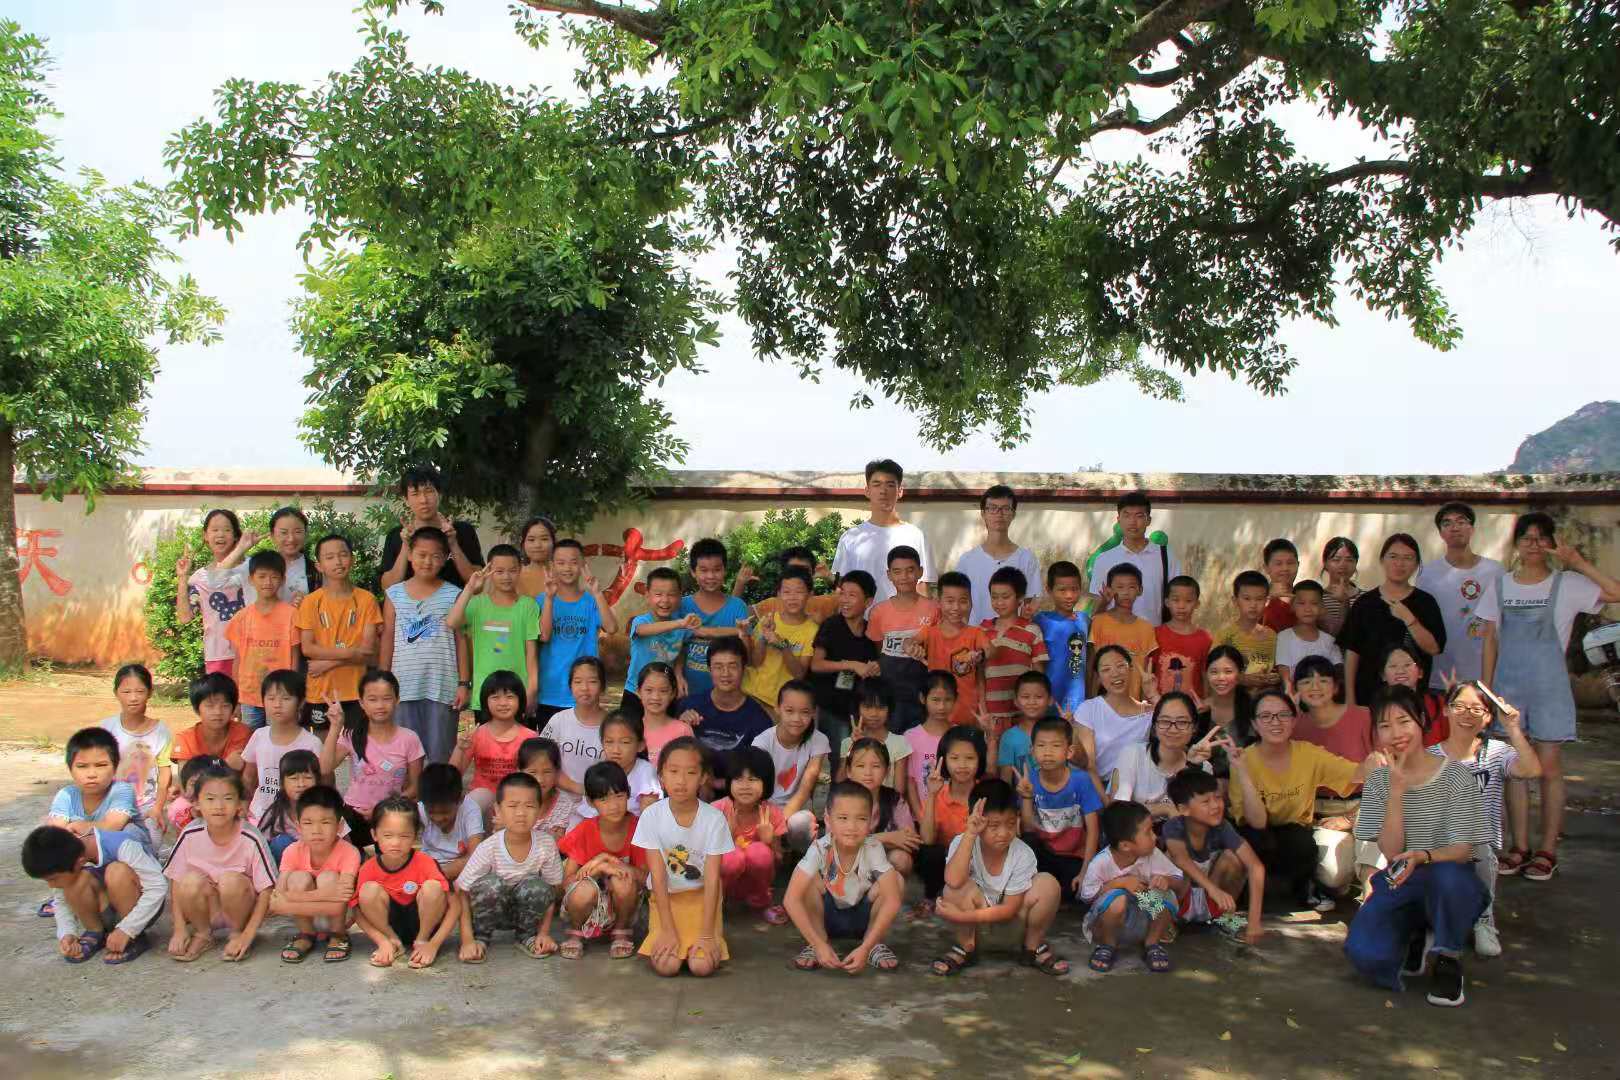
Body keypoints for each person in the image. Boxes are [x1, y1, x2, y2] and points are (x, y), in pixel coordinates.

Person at [1344, 687, 1492, 1007]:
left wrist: (1423, 856)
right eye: (1385, 726)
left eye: (1404, 721)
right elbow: (1391, 852)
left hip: (1449, 877)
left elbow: (1462, 850)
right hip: (1401, 879)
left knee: (1447, 878)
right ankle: (1416, 933)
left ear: (1422, 721)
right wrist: (1396, 792)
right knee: (1364, 955)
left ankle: (1448, 957)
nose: (1396, 733)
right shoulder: (1379, 780)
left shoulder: (1456, 776)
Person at [1493, 512, 1620, 882]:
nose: (1533, 544)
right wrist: (1487, 692)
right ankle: (1518, 847)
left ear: (1551, 543)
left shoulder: (1568, 583)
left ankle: (1547, 850)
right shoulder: (1501, 586)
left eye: (1541, 537)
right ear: (1516, 543)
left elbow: (1615, 593)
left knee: (1549, 769)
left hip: (1549, 689)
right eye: (1526, 537)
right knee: (1514, 770)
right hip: (1508, 689)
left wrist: (1577, 561)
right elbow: (1489, 641)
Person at [1226, 690, 1378, 912]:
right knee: (1256, 839)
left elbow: (1353, 773)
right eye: (1266, 716)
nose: (1275, 722)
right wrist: (1243, 772)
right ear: (1254, 724)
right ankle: (1239, 901)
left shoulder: (1308, 754)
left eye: (1283, 715)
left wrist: (1372, 763)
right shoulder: (1243, 759)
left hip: (1295, 833)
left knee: (1302, 843)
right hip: (1256, 830)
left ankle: (1304, 888)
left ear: (1294, 720)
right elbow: (1256, 822)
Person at [1433, 681, 1539, 957]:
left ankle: (1483, 919)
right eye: (1459, 706)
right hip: (1439, 845)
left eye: (1476, 709)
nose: (1467, 714)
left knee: (1477, 840)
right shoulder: (1430, 756)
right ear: (1446, 710)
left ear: (1489, 717)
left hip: (1480, 847)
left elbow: (1531, 770)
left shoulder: (1496, 752)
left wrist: (1513, 728)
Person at [931, 778, 1069, 976]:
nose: (1003, 833)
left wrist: (960, 916)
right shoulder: (962, 842)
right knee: (953, 888)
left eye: (1010, 824)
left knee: (1047, 884)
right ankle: (965, 948)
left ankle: (1032, 948)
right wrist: (970, 834)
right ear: (975, 820)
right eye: (994, 826)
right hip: (975, 930)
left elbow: (1009, 909)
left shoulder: (1023, 853)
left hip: (1013, 925)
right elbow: (952, 880)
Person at [635, 737, 734, 976]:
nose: (681, 781)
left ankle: (707, 937)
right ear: (661, 775)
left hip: (702, 899)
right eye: (673, 771)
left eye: (690, 773)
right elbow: (658, 876)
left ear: (703, 777)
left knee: (701, 966)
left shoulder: (714, 819)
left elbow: (712, 879)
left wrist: (707, 935)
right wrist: (667, 930)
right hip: (666, 900)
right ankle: (664, 932)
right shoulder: (651, 816)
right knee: (667, 966)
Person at [161, 763, 277, 962]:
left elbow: (267, 890)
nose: (219, 806)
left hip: (240, 906)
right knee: (189, 881)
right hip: (208, 909)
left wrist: (248, 935)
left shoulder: (250, 836)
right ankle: (203, 933)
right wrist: (179, 929)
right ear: (196, 803)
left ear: (240, 804)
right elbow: (175, 881)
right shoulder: (190, 833)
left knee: (230, 880)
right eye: (210, 799)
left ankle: (236, 933)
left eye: (228, 798)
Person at [785, 780, 904, 973]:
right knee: (807, 880)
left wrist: (865, 948)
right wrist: (817, 943)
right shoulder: (819, 848)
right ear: (828, 819)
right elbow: (791, 899)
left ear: (871, 820)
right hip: (827, 917)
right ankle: (818, 942)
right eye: (843, 818)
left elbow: (893, 899)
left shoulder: (873, 847)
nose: (852, 826)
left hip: (863, 918)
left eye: (861, 819)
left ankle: (873, 945)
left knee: (896, 880)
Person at [455, 771, 564, 960]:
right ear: (498, 810)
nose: (521, 813)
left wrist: (544, 933)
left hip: (524, 913)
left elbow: (552, 891)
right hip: (490, 913)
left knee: (539, 886)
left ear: (539, 810)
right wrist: (467, 940)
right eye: (513, 806)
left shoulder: (546, 844)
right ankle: (481, 937)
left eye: (529, 806)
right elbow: (461, 890)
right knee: (491, 884)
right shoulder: (488, 847)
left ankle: (526, 935)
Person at [380, 527, 467, 764]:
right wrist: (383, 680)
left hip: (442, 686)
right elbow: (387, 637)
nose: (428, 562)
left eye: (435, 556)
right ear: (410, 555)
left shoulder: (454, 594)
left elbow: (461, 640)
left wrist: (463, 683)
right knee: (404, 757)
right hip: (403, 687)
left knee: (440, 756)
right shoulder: (394, 594)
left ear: (446, 558)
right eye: (421, 554)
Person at [24, 824, 167, 965]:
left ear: (79, 863)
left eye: (52, 879)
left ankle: (135, 938)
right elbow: (61, 901)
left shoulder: (124, 845)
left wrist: (128, 929)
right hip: (107, 910)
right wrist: (67, 933)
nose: (51, 885)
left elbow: (158, 887)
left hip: (140, 911)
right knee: (74, 882)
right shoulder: (66, 858)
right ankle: (95, 932)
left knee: (116, 872)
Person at [320, 669, 425, 851]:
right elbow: (325, 768)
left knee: (389, 859)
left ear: (397, 700)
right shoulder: (351, 735)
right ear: (362, 703)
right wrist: (335, 727)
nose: (380, 705)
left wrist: (382, 808)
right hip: (353, 813)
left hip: (390, 815)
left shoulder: (409, 739)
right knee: (345, 856)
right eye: (372, 699)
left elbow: (415, 788)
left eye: (387, 698)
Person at [1078, 800, 1187, 973]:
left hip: (1140, 922)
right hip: (1105, 927)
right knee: (1117, 900)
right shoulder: (1101, 863)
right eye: (1148, 832)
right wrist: (1119, 883)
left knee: (1166, 896)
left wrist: (1166, 880)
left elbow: (1178, 879)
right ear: (1125, 845)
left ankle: (1152, 944)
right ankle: (1107, 945)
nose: (1155, 837)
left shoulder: (1153, 854)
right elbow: (1087, 896)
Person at [1340, 534, 1447, 708]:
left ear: (1417, 564)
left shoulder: (1426, 602)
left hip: (1412, 700)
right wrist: (1350, 699)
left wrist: (1409, 619)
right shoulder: (1365, 603)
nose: (1400, 563)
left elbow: (1434, 648)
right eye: (1393, 556)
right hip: (1368, 698)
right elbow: (1352, 652)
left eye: (1408, 558)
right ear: (1382, 560)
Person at [1162, 769, 1266, 943]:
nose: (1216, 805)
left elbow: (1256, 867)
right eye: (1206, 801)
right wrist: (1213, 889)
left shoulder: (1223, 827)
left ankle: (1224, 918)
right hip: (1182, 898)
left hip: (1213, 899)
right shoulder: (1173, 827)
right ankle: (1167, 921)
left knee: (1233, 857)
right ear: (1183, 809)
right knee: (1169, 862)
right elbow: (1180, 859)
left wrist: (1254, 922)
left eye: (1217, 797)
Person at [352, 796, 457, 968]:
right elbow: (356, 911)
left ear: (415, 836)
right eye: (388, 835)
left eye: (404, 835)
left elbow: (455, 905)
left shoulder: (426, 863)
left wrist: (433, 944)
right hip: (387, 928)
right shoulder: (367, 869)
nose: (395, 843)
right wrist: (382, 940)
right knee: (368, 890)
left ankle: (421, 941)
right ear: (374, 835)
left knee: (433, 886)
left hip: (426, 927)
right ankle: (392, 942)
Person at [558, 761, 648, 959]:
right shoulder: (585, 830)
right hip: (587, 907)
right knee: (584, 889)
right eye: (604, 799)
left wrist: (608, 861)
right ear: (590, 802)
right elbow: (567, 883)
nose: (613, 806)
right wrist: (599, 867)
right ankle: (576, 931)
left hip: (625, 905)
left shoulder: (639, 829)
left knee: (623, 879)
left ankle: (621, 931)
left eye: (619, 796)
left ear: (628, 793)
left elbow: (645, 878)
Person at [297, 533, 382, 732]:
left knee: (356, 745)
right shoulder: (310, 602)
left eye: (343, 555)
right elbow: (308, 648)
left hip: (356, 690)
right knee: (322, 744)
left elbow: (368, 650)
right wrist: (353, 652)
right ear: (319, 566)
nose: (338, 561)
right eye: (329, 557)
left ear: (352, 559)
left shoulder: (367, 600)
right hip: (321, 690)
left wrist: (327, 663)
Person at [268, 784, 361, 964]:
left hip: (340, 918)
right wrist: (327, 895)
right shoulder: (292, 851)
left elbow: (338, 907)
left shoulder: (349, 852)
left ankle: (338, 935)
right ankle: (306, 934)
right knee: (298, 878)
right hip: (309, 915)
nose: (316, 830)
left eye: (325, 822)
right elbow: (276, 900)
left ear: (339, 826)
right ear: (298, 826)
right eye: (308, 823)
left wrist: (289, 902)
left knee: (328, 877)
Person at [1417, 501, 1504, 689]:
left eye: (1461, 521)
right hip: (1440, 679)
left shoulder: (1495, 571)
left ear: (1472, 529)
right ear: (1440, 533)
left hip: (1485, 679)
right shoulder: (1428, 574)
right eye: (1447, 523)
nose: (1454, 527)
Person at [1016, 717, 1103, 900]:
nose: (1047, 752)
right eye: (1041, 745)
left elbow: (1093, 830)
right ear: (1032, 750)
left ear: (1069, 751)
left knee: (1077, 893)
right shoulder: (1030, 780)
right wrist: (1026, 797)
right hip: (1043, 853)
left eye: (1055, 746)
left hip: (1074, 855)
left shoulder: (1081, 780)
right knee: (1028, 848)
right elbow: (1028, 829)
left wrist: (1086, 871)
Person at [447, 547, 541, 715]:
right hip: (484, 694)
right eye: (499, 571)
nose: (506, 577)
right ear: (489, 571)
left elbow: (531, 655)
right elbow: (452, 622)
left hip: (517, 693)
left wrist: (532, 690)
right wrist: (470, 588)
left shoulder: (529, 606)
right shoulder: (476, 604)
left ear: (520, 570)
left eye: (512, 571)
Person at [832, 458, 935, 605]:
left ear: (900, 491)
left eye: (890, 485)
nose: (883, 491)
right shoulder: (850, 538)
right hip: (863, 619)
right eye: (877, 484)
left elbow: (922, 588)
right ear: (867, 491)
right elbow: (842, 589)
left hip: (904, 619)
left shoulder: (916, 536)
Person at [536, 538, 618, 723]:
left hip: (585, 692)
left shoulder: (591, 601)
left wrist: (597, 593)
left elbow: (612, 628)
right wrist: (549, 599)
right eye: (561, 563)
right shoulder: (541, 600)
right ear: (552, 566)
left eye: (573, 562)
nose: (567, 568)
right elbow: (543, 636)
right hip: (550, 691)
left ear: (582, 564)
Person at [158, 673, 251, 835]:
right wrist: (225, 764)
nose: (218, 712)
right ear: (197, 708)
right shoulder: (186, 738)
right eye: (210, 706)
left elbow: (245, 780)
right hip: (199, 800)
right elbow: (187, 786)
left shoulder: (242, 732)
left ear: (234, 707)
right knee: (178, 809)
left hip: (231, 797)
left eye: (225, 705)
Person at [915, 726, 989, 917]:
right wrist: (932, 795)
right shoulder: (938, 794)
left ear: (980, 760)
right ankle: (931, 898)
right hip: (946, 863)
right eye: (954, 758)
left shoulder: (987, 794)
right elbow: (927, 840)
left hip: (978, 862)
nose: (962, 765)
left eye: (970, 758)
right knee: (929, 853)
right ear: (944, 760)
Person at [865, 545, 940, 731]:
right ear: (889, 575)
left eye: (910, 570)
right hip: (891, 694)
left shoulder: (934, 609)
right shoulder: (879, 612)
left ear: (920, 572)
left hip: (923, 692)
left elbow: (939, 646)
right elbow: (878, 648)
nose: (904, 577)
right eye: (897, 571)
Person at [809, 569, 882, 758]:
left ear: (868, 601)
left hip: (858, 709)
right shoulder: (831, 625)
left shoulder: (870, 631)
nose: (845, 600)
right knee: (840, 760)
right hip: (831, 707)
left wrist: (874, 668)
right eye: (842, 594)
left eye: (852, 595)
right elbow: (816, 664)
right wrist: (851, 664)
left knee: (857, 759)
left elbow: (876, 663)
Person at [224, 551, 301, 730]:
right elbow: (238, 659)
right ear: (251, 579)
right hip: (249, 695)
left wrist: (294, 692)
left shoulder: (291, 615)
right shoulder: (241, 617)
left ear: (282, 580)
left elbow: (295, 658)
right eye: (262, 576)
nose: (268, 582)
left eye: (274, 577)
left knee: (278, 738)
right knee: (250, 740)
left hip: (280, 696)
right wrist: (236, 697)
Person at [712, 746, 788, 924]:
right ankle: (717, 902)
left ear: (766, 782)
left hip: (755, 885)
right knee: (731, 856)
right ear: (729, 782)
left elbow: (778, 859)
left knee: (759, 852)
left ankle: (761, 902)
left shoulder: (772, 813)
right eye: (738, 779)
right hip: (723, 883)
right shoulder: (716, 810)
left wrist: (769, 841)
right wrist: (726, 837)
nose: (745, 786)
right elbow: (704, 859)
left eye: (753, 779)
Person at [174, 507, 253, 677]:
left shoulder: (253, 567)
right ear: (205, 535)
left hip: (254, 650)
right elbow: (185, 617)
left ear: (236, 535)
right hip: (218, 655)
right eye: (215, 530)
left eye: (227, 530)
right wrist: (182, 577)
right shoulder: (200, 578)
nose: (220, 535)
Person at [449, 670, 538, 820]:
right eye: (495, 697)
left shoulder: (530, 737)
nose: (503, 703)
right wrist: (460, 748)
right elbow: (453, 775)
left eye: (509, 697)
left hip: (516, 805)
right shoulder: (476, 733)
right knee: (479, 797)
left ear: (520, 700)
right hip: (481, 804)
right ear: (485, 701)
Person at [241, 670, 323, 833]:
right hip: (260, 814)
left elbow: (323, 784)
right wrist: (243, 804)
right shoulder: (259, 736)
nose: (277, 704)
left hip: (298, 819)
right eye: (271, 698)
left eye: (286, 698)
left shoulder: (312, 743)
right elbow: (249, 777)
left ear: (301, 702)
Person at [377, 464, 483, 589]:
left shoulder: (462, 531)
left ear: (439, 494)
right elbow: (387, 587)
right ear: (406, 500)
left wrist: (453, 544)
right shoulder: (396, 536)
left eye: (429, 491)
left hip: (457, 602)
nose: (423, 500)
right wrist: (406, 546)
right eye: (415, 494)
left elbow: (477, 585)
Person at [906, 570, 990, 728]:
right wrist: (911, 648)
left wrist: (981, 654)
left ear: (971, 602)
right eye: (950, 601)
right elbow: (909, 642)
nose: (956, 607)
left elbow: (992, 651)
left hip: (968, 717)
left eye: (963, 601)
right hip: (937, 718)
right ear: (938, 602)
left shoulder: (976, 633)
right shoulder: (930, 632)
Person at [752, 680, 829, 850]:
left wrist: (779, 826)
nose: (796, 719)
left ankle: (799, 857)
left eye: (805, 712)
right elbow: (756, 789)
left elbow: (804, 790)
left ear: (813, 713)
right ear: (777, 708)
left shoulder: (818, 740)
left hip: (798, 807)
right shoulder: (762, 742)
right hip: (764, 807)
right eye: (789, 711)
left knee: (803, 824)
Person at [47, 727, 147, 855]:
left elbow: (112, 826)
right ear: (70, 769)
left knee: (129, 831)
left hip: (129, 858)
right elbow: (55, 832)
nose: (92, 774)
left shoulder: (122, 790)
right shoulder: (66, 795)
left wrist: (77, 826)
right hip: (87, 856)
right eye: (82, 766)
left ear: (115, 767)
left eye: (101, 765)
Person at [1109, 691, 1209, 818]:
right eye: (1165, 721)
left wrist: (1192, 767)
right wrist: (1164, 808)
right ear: (1155, 726)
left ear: (1194, 727)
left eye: (1182, 722)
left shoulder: (1203, 767)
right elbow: (1117, 812)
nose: (1173, 729)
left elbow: (1201, 818)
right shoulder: (1133, 754)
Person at [99, 664, 169, 843]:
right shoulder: (106, 727)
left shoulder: (161, 731)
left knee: (150, 846)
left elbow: (165, 773)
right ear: (116, 693)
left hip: (147, 807)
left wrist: (157, 808)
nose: (133, 698)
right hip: (113, 805)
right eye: (126, 692)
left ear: (150, 692)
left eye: (140, 691)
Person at [955, 484, 1042, 626]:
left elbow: (1030, 603)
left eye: (1005, 508)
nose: (999, 514)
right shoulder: (967, 561)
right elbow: (959, 604)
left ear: (1013, 514)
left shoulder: (1026, 559)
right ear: (983, 513)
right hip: (976, 636)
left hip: (1013, 637)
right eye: (992, 508)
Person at [1088, 493, 1179, 625]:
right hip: (1115, 635)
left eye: (1139, 516)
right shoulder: (1104, 559)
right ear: (1118, 520)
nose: (1132, 522)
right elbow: (1097, 607)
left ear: (1148, 520)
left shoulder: (1165, 556)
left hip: (1155, 634)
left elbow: (1177, 599)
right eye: (1127, 515)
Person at [678, 537, 753, 698]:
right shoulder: (682, 606)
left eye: (717, 569)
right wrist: (678, 675)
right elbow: (676, 648)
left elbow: (747, 657)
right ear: (693, 572)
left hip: (729, 698)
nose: (711, 576)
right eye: (704, 570)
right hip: (689, 694)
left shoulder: (737, 606)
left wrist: (743, 634)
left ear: (725, 570)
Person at [676, 637, 774, 757]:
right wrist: (680, 727)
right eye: (718, 667)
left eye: (732, 666)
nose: (725, 673)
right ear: (709, 670)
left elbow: (761, 764)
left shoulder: (759, 720)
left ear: (743, 669)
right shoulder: (689, 706)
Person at [1075, 645, 1152, 792]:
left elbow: (1175, 725)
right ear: (1098, 677)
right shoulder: (1088, 709)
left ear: (1131, 669)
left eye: (1120, 666)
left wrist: (1153, 694)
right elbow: (1090, 765)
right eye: (1106, 669)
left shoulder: (1147, 713)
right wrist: (1106, 801)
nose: (1115, 673)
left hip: (1135, 788)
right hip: (1096, 787)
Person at [979, 566, 1049, 727]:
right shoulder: (982, 630)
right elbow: (979, 675)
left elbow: (1039, 676)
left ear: (1020, 598)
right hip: (992, 717)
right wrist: (983, 708)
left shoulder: (1032, 631)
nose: (999, 602)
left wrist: (1037, 712)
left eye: (1005, 597)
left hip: (1024, 717)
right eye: (994, 597)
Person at [845, 736, 920, 884]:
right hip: (849, 861)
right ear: (849, 771)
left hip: (882, 862)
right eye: (860, 766)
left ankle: (884, 893)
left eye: (876, 766)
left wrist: (864, 841)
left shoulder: (894, 799)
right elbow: (839, 842)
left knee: (902, 859)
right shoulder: (840, 799)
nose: (868, 772)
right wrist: (888, 838)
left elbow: (910, 839)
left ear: (887, 771)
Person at [742, 566, 819, 709]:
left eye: (799, 592)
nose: (792, 597)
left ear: (810, 595)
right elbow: (754, 662)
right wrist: (764, 638)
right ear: (778, 595)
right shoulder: (768, 620)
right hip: (749, 694)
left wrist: (783, 646)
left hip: (778, 704)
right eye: (787, 592)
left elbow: (799, 674)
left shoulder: (812, 631)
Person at [625, 566, 698, 704]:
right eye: (658, 594)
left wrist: (678, 674)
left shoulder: (681, 626)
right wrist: (680, 624)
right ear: (647, 595)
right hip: (635, 692)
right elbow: (643, 630)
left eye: (671, 594)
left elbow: (681, 650)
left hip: (665, 695)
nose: (665, 600)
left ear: (680, 596)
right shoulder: (641, 621)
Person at [539, 656, 609, 795]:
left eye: (592, 681)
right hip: (558, 799)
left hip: (598, 799)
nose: (584, 688)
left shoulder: (613, 726)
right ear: (570, 686)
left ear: (602, 686)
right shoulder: (559, 720)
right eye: (578, 681)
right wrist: (576, 787)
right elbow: (540, 760)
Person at [1290, 655, 1374, 769]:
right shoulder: (1295, 727)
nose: (1315, 687)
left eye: (1323, 681)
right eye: (1306, 682)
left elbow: (1383, 764)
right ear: (1295, 689)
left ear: (1335, 687)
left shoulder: (1364, 716)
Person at [574, 713, 661, 823]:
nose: (616, 750)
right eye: (609, 742)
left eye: (625, 742)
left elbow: (648, 814)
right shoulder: (599, 771)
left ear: (640, 745)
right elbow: (588, 814)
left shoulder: (645, 771)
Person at [1089, 564, 1157, 698]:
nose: (1126, 592)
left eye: (1131, 587)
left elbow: (1145, 671)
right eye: (1120, 587)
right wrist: (1090, 700)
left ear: (1140, 590)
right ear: (1110, 590)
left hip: (1133, 701)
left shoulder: (1146, 628)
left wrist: (1143, 705)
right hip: (1103, 701)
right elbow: (1091, 666)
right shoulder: (1098, 622)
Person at [1034, 561, 1092, 715]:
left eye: (1074, 589)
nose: (1069, 595)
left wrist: (1105, 603)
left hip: (1078, 699)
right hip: (1049, 697)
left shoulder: (1084, 619)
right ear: (1049, 590)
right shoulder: (1041, 620)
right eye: (1062, 590)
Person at [224, 506, 315, 605]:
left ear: (306, 533)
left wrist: (307, 604)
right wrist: (240, 549)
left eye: (298, 532)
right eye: (284, 532)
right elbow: (216, 581)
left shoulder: (315, 571)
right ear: (272, 535)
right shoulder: (255, 565)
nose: (291, 539)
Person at [837, 679, 912, 794]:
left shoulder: (899, 743)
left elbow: (899, 789)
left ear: (889, 709)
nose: (874, 714)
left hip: (887, 803)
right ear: (858, 708)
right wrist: (854, 745)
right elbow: (840, 782)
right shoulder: (848, 742)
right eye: (867, 707)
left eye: (880, 707)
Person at [903, 672, 958, 826]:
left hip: (955, 819)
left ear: (955, 699)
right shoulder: (911, 737)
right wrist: (922, 819)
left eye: (947, 700)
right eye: (935, 700)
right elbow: (910, 783)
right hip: (923, 817)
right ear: (923, 698)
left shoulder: (960, 735)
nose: (942, 706)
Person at [255, 749, 327, 864]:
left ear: (317, 781)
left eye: (308, 778)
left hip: (323, 864)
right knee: (281, 842)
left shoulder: (328, 808)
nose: (301, 784)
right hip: (287, 868)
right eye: (294, 778)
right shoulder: (276, 812)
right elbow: (259, 846)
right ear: (282, 783)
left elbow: (345, 844)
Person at [416, 762, 485, 882]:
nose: (438, 818)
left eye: (444, 812)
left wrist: (438, 875)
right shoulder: (420, 809)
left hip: (462, 869)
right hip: (429, 865)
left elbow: (475, 856)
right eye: (431, 812)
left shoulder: (470, 810)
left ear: (460, 799)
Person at [1213, 570, 1280, 692]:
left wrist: (1275, 677)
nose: (1253, 605)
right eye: (1247, 599)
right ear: (1235, 601)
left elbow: (1277, 669)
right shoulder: (1225, 636)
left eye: (1259, 599)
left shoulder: (1272, 636)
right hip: (1235, 700)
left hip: (1264, 700)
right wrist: (1242, 679)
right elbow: (1213, 672)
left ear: (1267, 601)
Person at [741, 546, 841, 623]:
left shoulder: (825, 603)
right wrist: (739, 584)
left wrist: (830, 577)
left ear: (812, 573)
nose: (798, 576)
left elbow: (849, 597)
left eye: (804, 571)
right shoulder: (772, 605)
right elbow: (735, 616)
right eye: (793, 570)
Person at [1153, 576, 1211, 699]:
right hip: (1159, 705)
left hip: (1193, 707)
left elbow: (1205, 675)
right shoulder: (1155, 634)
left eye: (1188, 601)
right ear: (1167, 602)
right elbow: (1148, 673)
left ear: (1197, 604)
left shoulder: (1204, 639)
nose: (1181, 606)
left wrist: (1205, 704)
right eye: (1176, 600)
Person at [994, 670, 1056, 783]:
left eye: (1038, 696)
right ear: (1016, 701)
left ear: (1050, 700)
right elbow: (1005, 782)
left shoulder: (1059, 732)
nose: (1032, 702)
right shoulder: (1009, 737)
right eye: (1025, 697)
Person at [1194, 645, 1254, 756]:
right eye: (1214, 672)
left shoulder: (1254, 708)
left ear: (1240, 674)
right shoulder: (1198, 709)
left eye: (1228, 671)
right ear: (1206, 674)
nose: (1221, 678)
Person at [1274, 580, 1343, 675]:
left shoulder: (1329, 641)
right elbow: (1284, 674)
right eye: (1301, 603)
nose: (1308, 609)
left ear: (1322, 606)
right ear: (1292, 606)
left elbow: (1337, 672)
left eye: (1314, 603)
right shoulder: (1284, 637)